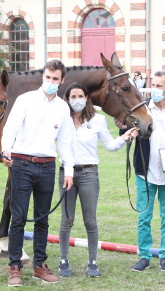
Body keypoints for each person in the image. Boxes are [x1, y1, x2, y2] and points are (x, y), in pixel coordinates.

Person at [1, 60, 75, 287]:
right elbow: (10, 127)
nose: (51, 82)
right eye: (48, 77)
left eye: (55, 79)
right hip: (21, 163)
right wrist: (6, 148)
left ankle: (39, 266)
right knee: (19, 218)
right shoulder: (26, 100)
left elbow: (65, 142)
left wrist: (69, 170)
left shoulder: (63, 108)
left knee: (43, 219)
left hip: (48, 165)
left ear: (62, 81)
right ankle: (14, 267)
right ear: (43, 76)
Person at [57, 82, 138, 278]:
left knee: (90, 221)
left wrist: (125, 136)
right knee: (66, 220)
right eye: (73, 97)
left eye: (80, 96)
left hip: (88, 175)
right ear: (67, 100)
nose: (77, 100)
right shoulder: (61, 119)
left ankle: (92, 262)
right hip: (65, 174)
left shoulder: (98, 120)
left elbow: (110, 145)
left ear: (87, 98)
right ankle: (63, 261)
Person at [118, 71, 165, 273]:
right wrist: (125, 129)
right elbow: (124, 131)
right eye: (154, 85)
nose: (156, 90)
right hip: (145, 171)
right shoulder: (141, 109)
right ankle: (144, 256)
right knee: (144, 217)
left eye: (160, 86)